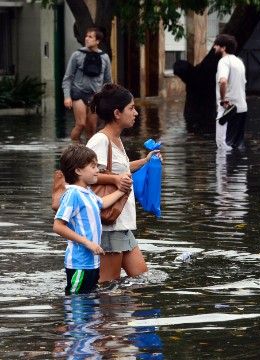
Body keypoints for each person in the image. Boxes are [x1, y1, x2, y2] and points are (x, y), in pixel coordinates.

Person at [86, 84, 162, 283]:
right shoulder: (99, 141)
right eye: (131, 108)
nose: (136, 113)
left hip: (122, 223)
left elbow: (122, 168)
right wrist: (115, 179)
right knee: (107, 287)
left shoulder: (116, 140)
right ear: (117, 113)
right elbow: (86, 176)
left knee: (141, 279)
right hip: (110, 225)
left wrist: (146, 161)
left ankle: (122, 314)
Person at [53, 144, 127, 294]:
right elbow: (58, 226)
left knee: (88, 300)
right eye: (93, 166)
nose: (97, 170)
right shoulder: (73, 194)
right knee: (75, 300)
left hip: (91, 262)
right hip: (79, 263)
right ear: (78, 171)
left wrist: (123, 190)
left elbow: (103, 203)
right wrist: (88, 243)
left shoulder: (87, 193)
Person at [62, 27, 112, 142]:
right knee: (81, 124)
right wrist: (67, 96)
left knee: (91, 128)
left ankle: (87, 154)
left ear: (97, 41)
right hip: (78, 93)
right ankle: (73, 149)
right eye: (86, 36)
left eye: (90, 37)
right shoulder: (77, 55)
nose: (87, 39)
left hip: (95, 96)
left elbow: (108, 81)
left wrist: (108, 99)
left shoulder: (104, 57)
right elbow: (68, 77)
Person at [213, 34, 247, 151]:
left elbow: (223, 81)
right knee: (237, 147)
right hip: (242, 109)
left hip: (228, 110)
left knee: (223, 146)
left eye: (216, 45)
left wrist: (222, 100)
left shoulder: (223, 61)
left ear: (223, 48)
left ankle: (223, 170)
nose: (214, 47)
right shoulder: (239, 61)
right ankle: (238, 169)